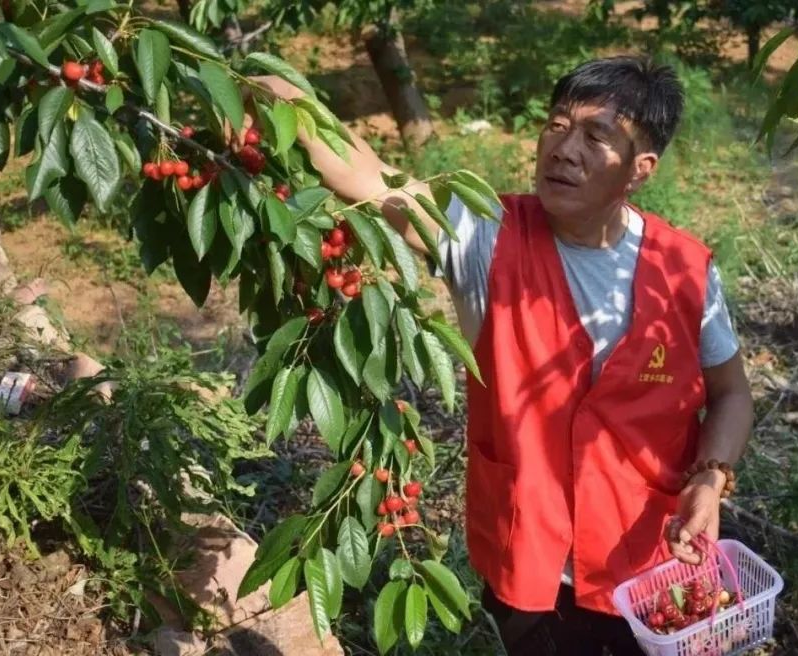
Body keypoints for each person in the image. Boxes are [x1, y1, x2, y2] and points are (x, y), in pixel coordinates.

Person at [254, 56, 753, 655]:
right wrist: (267, 88)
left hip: (652, 562)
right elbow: (366, 174)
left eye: (596, 137)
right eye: (557, 126)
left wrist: (710, 476)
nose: (564, 149)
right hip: (531, 566)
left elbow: (730, 392)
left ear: (640, 169)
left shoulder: (684, 268)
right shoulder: (485, 234)